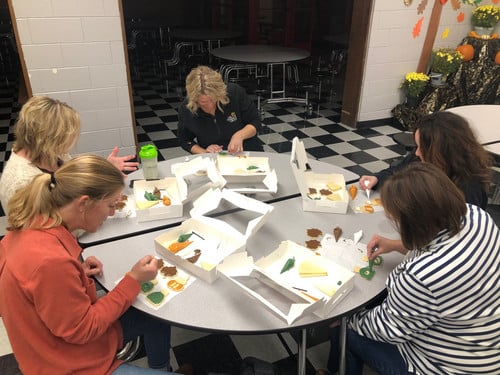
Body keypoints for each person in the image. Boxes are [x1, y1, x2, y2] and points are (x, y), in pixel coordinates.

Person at [0, 155, 181, 375]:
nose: (113, 212)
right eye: (110, 205)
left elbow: (39, 292)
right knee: (144, 305)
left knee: (155, 314)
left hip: (55, 341)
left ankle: (162, 368)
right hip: (65, 363)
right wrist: (132, 281)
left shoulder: (35, 224)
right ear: (84, 203)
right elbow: (83, 330)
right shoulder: (50, 263)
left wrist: (76, 273)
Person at [321, 163, 499, 375]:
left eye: (395, 220)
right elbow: (440, 242)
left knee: (344, 331)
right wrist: (396, 245)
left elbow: (388, 329)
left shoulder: (421, 276)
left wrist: (347, 319)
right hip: (485, 345)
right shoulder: (477, 217)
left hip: (447, 366)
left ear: (413, 223)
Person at [0, 95, 139, 214]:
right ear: (47, 139)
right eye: (66, 137)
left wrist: (104, 171)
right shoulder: (21, 182)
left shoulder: (53, 154)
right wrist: (101, 206)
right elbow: (58, 226)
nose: (72, 142)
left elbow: (76, 186)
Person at [358, 111, 493, 209]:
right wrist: (377, 179)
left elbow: (454, 231)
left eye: (422, 148)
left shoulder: (469, 188)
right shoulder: (422, 156)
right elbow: (397, 172)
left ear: (443, 152)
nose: (416, 152)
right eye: (417, 146)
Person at [177, 65, 263, 154]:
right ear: (194, 99)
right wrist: (205, 153)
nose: (210, 105)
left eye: (213, 99)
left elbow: (256, 122)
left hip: (248, 152)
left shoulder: (234, 93)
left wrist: (239, 136)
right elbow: (184, 140)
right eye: (203, 102)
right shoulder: (187, 108)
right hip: (215, 158)